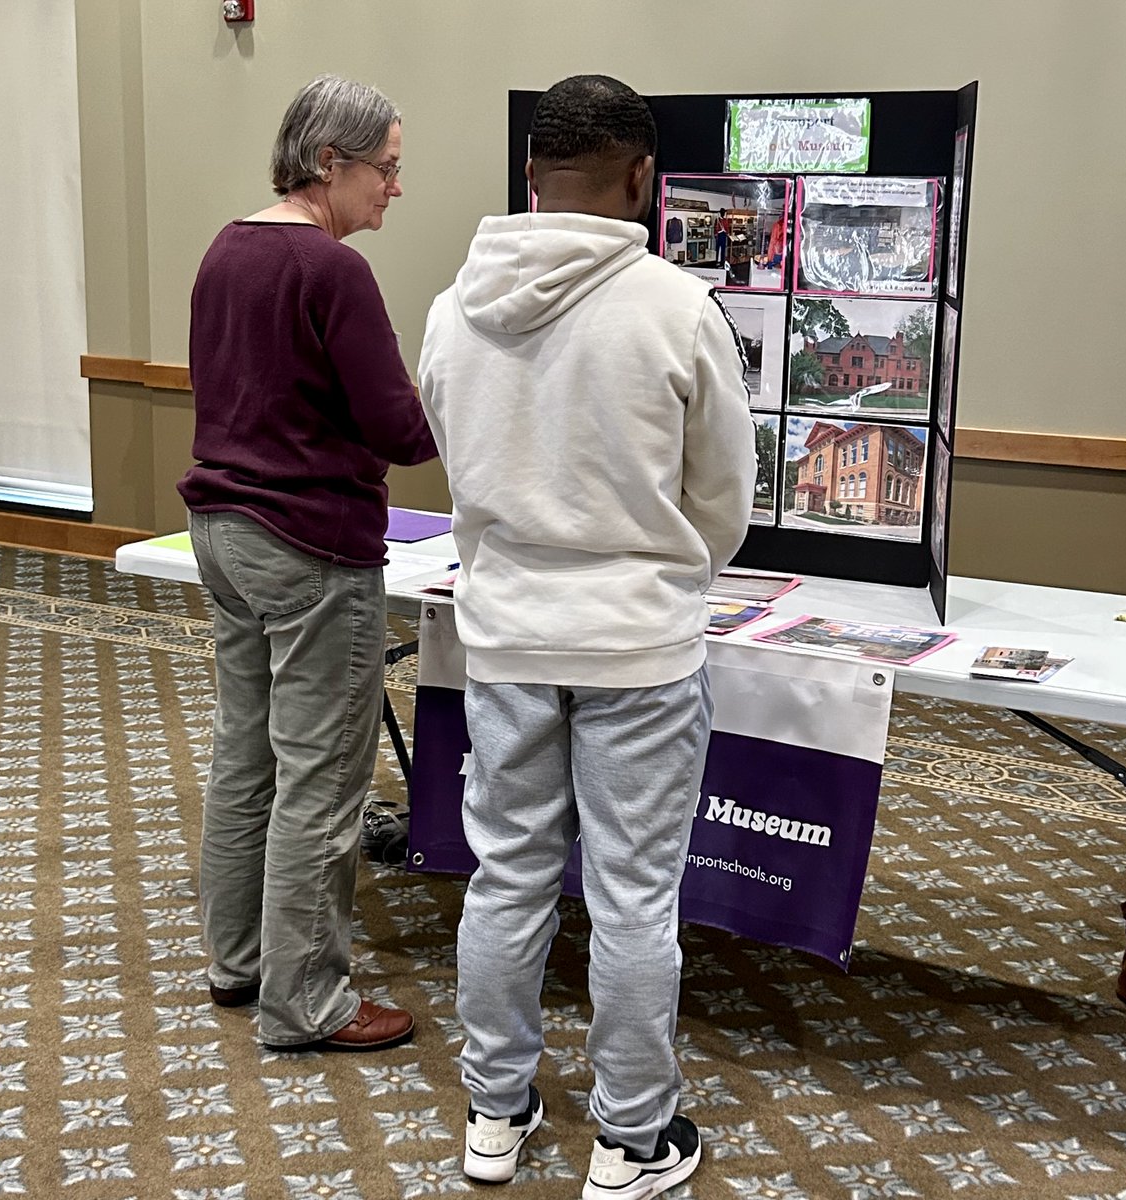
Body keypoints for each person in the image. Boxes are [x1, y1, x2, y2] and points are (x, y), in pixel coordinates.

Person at [418, 75, 755, 1199]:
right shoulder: (674, 306)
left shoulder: (451, 307)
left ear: (530, 175)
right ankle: (633, 1138)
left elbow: (459, 462)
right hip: (640, 651)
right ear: (644, 180)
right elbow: (724, 501)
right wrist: (665, 576)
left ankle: (494, 1118)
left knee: (506, 878)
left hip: (505, 637)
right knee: (631, 894)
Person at [177, 75, 436, 1052]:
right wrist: (459, 389)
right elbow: (400, 430)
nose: (395, 189)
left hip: (225, 536)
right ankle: (308, 1003)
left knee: (247, 759)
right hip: (311, 549)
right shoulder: (332, 271)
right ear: (333, 163)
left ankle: (238, 964)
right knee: (324, 783)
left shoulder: (225, 251)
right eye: (389, 168)